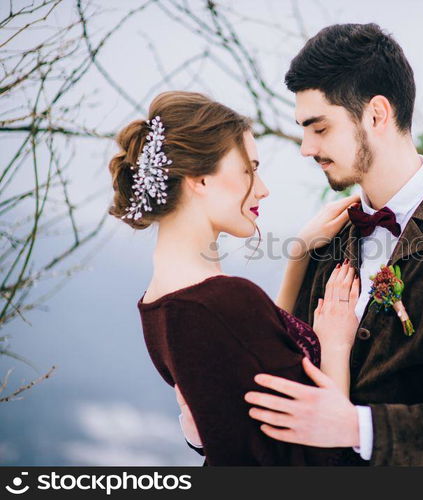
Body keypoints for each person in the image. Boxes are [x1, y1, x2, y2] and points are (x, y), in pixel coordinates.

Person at [234, 23, 423, 466]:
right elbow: (288, 387)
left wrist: (358, 427)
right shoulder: (328, 237)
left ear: (376, 114)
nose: (305, 148)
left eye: (319, 128)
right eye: (304, 130)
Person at [107, 90, 363, 465]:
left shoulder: (157, 305)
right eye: (249, 169)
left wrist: (298, 255)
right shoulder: (223, 301)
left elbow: (254, 355)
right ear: (199, 179)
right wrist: (336, 347)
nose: (262, 188)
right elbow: (321, 453)